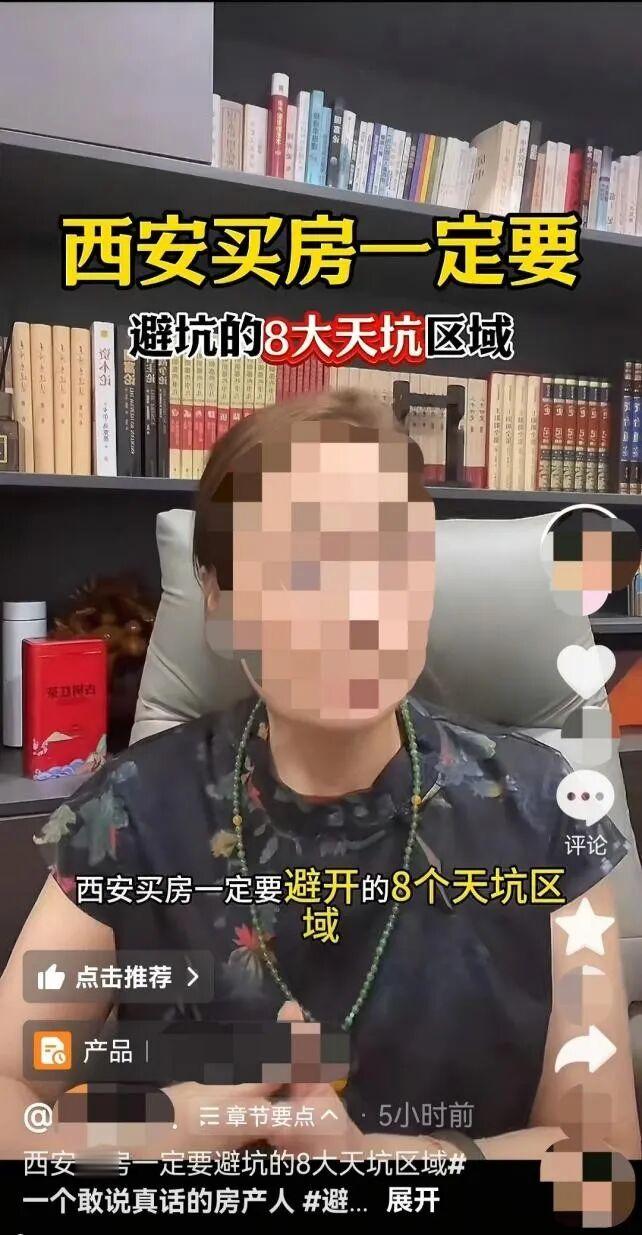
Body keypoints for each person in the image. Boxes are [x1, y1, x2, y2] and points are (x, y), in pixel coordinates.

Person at [0, 391, 639, 1162]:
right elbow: (11, 1082)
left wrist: (390, 1160)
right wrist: (150, 1132)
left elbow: (602, 1153)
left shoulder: (548, 814)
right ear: (221, 601)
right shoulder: (131, 814)